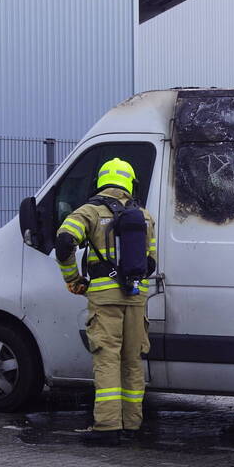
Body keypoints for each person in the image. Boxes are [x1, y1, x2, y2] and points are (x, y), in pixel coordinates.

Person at [55, 158, 157, 446]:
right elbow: (150, 262)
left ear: (101, 181)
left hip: (104, 298)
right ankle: (132, 424)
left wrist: (73, 278)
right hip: (136, 298)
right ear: (130, 183)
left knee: (107, 359)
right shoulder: (145, 216)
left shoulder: (89, 211)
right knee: (132, 361)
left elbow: (64, 243)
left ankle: (108, 427)